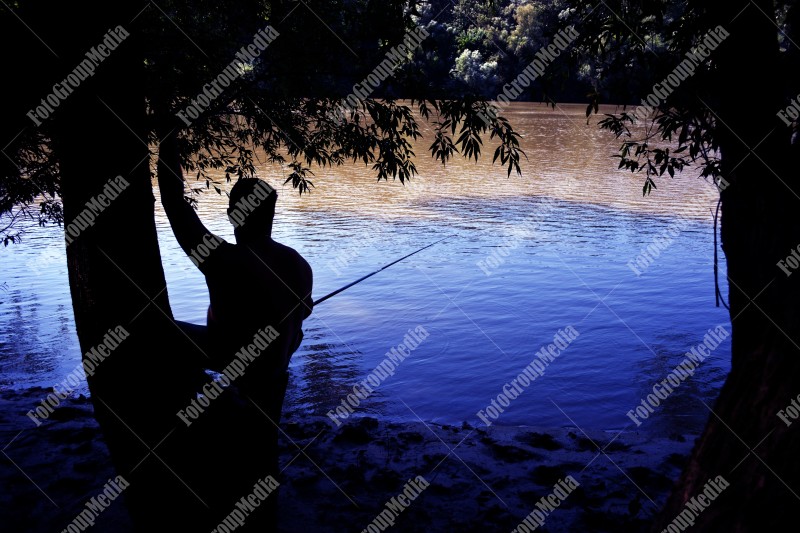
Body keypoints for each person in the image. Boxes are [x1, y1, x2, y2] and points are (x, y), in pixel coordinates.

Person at [156, 131, 313, 529]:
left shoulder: (222, 259)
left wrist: (168, 145)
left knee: (158, 330)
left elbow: (175, 207)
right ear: (271, 215)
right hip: (275, 370)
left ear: (232, 215)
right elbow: (301, 315)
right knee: (263, 448)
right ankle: (262, 503)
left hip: (233, 357)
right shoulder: (299, 264)